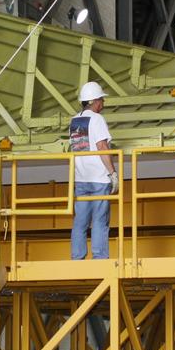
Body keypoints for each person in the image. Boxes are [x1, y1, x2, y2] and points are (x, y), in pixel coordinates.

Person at [69, 81, 116, 260]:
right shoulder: (97, 119)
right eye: (101, 100)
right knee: (99, 221)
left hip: (81, 178)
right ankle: (99, 258)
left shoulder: (74, 120)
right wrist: (112, 173)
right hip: (98, 178)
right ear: (95, 101)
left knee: (80, 222)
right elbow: (102, 146)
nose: (103, 104)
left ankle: (77, 257)